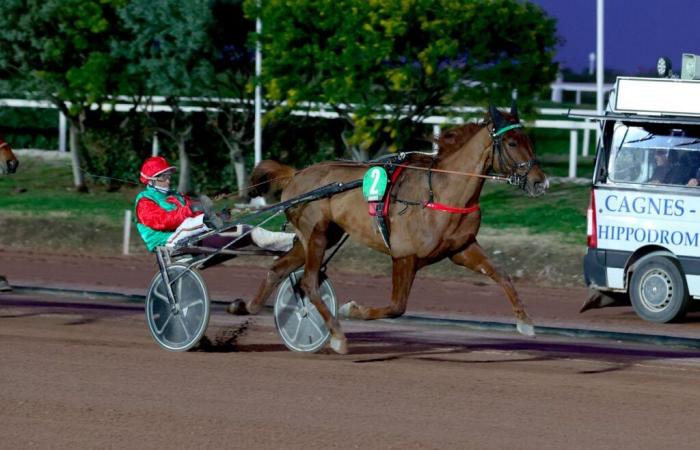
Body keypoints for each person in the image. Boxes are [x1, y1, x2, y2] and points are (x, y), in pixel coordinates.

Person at [134, 156, 294, 253]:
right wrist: (195, 209)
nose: (168, 180)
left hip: (190, 234)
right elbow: (162, 221)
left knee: (245, 230)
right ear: (151, 180)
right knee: (194, 221)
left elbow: (195, 211)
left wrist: (218, 214)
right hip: (167, 240)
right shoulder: (145, 200)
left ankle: (291, 242)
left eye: (169, 175)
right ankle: (209, 222)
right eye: (163, 177)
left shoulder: (176, 195)